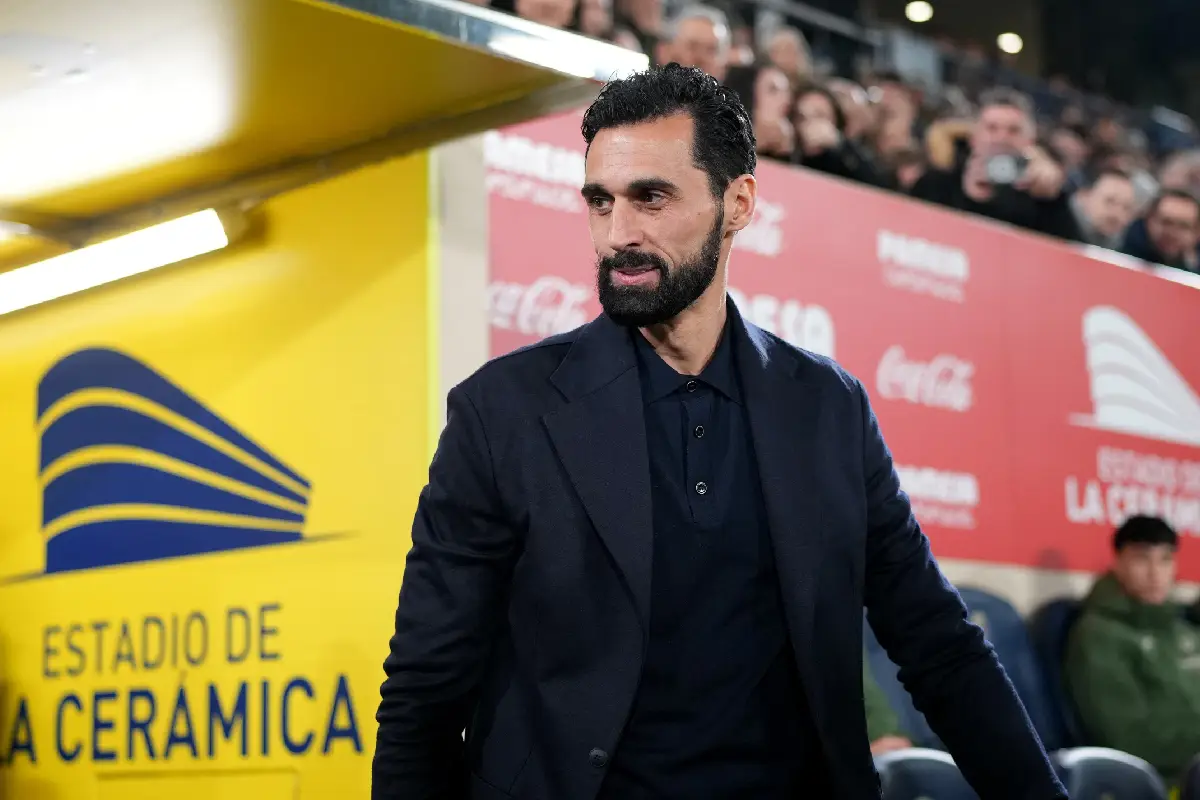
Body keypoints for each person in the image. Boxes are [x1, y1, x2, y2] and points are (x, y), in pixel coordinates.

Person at [372, 64, 1066, 800]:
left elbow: (940, 648)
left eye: (652, 197)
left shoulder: (828, 408)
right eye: (600, 202)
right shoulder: (503, 412)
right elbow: (425, 687)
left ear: (738, 204)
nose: (619, 234)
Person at [1064, 516, 1200, 783]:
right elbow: (1130, 739)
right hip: (1162, 783)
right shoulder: (1097, 636)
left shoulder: (1183, 631)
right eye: (1142, 559)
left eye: (1165, 560)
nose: (1155, 573)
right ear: (1117, 562)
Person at [909, 88, 1081, 242]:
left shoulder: (1041, 202)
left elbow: (1072, 255)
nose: (1001, 138)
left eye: (1013, 131)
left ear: (1029, 142)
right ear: (974, 137)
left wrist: (1054, 200)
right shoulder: (937, 183)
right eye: (992, 128)